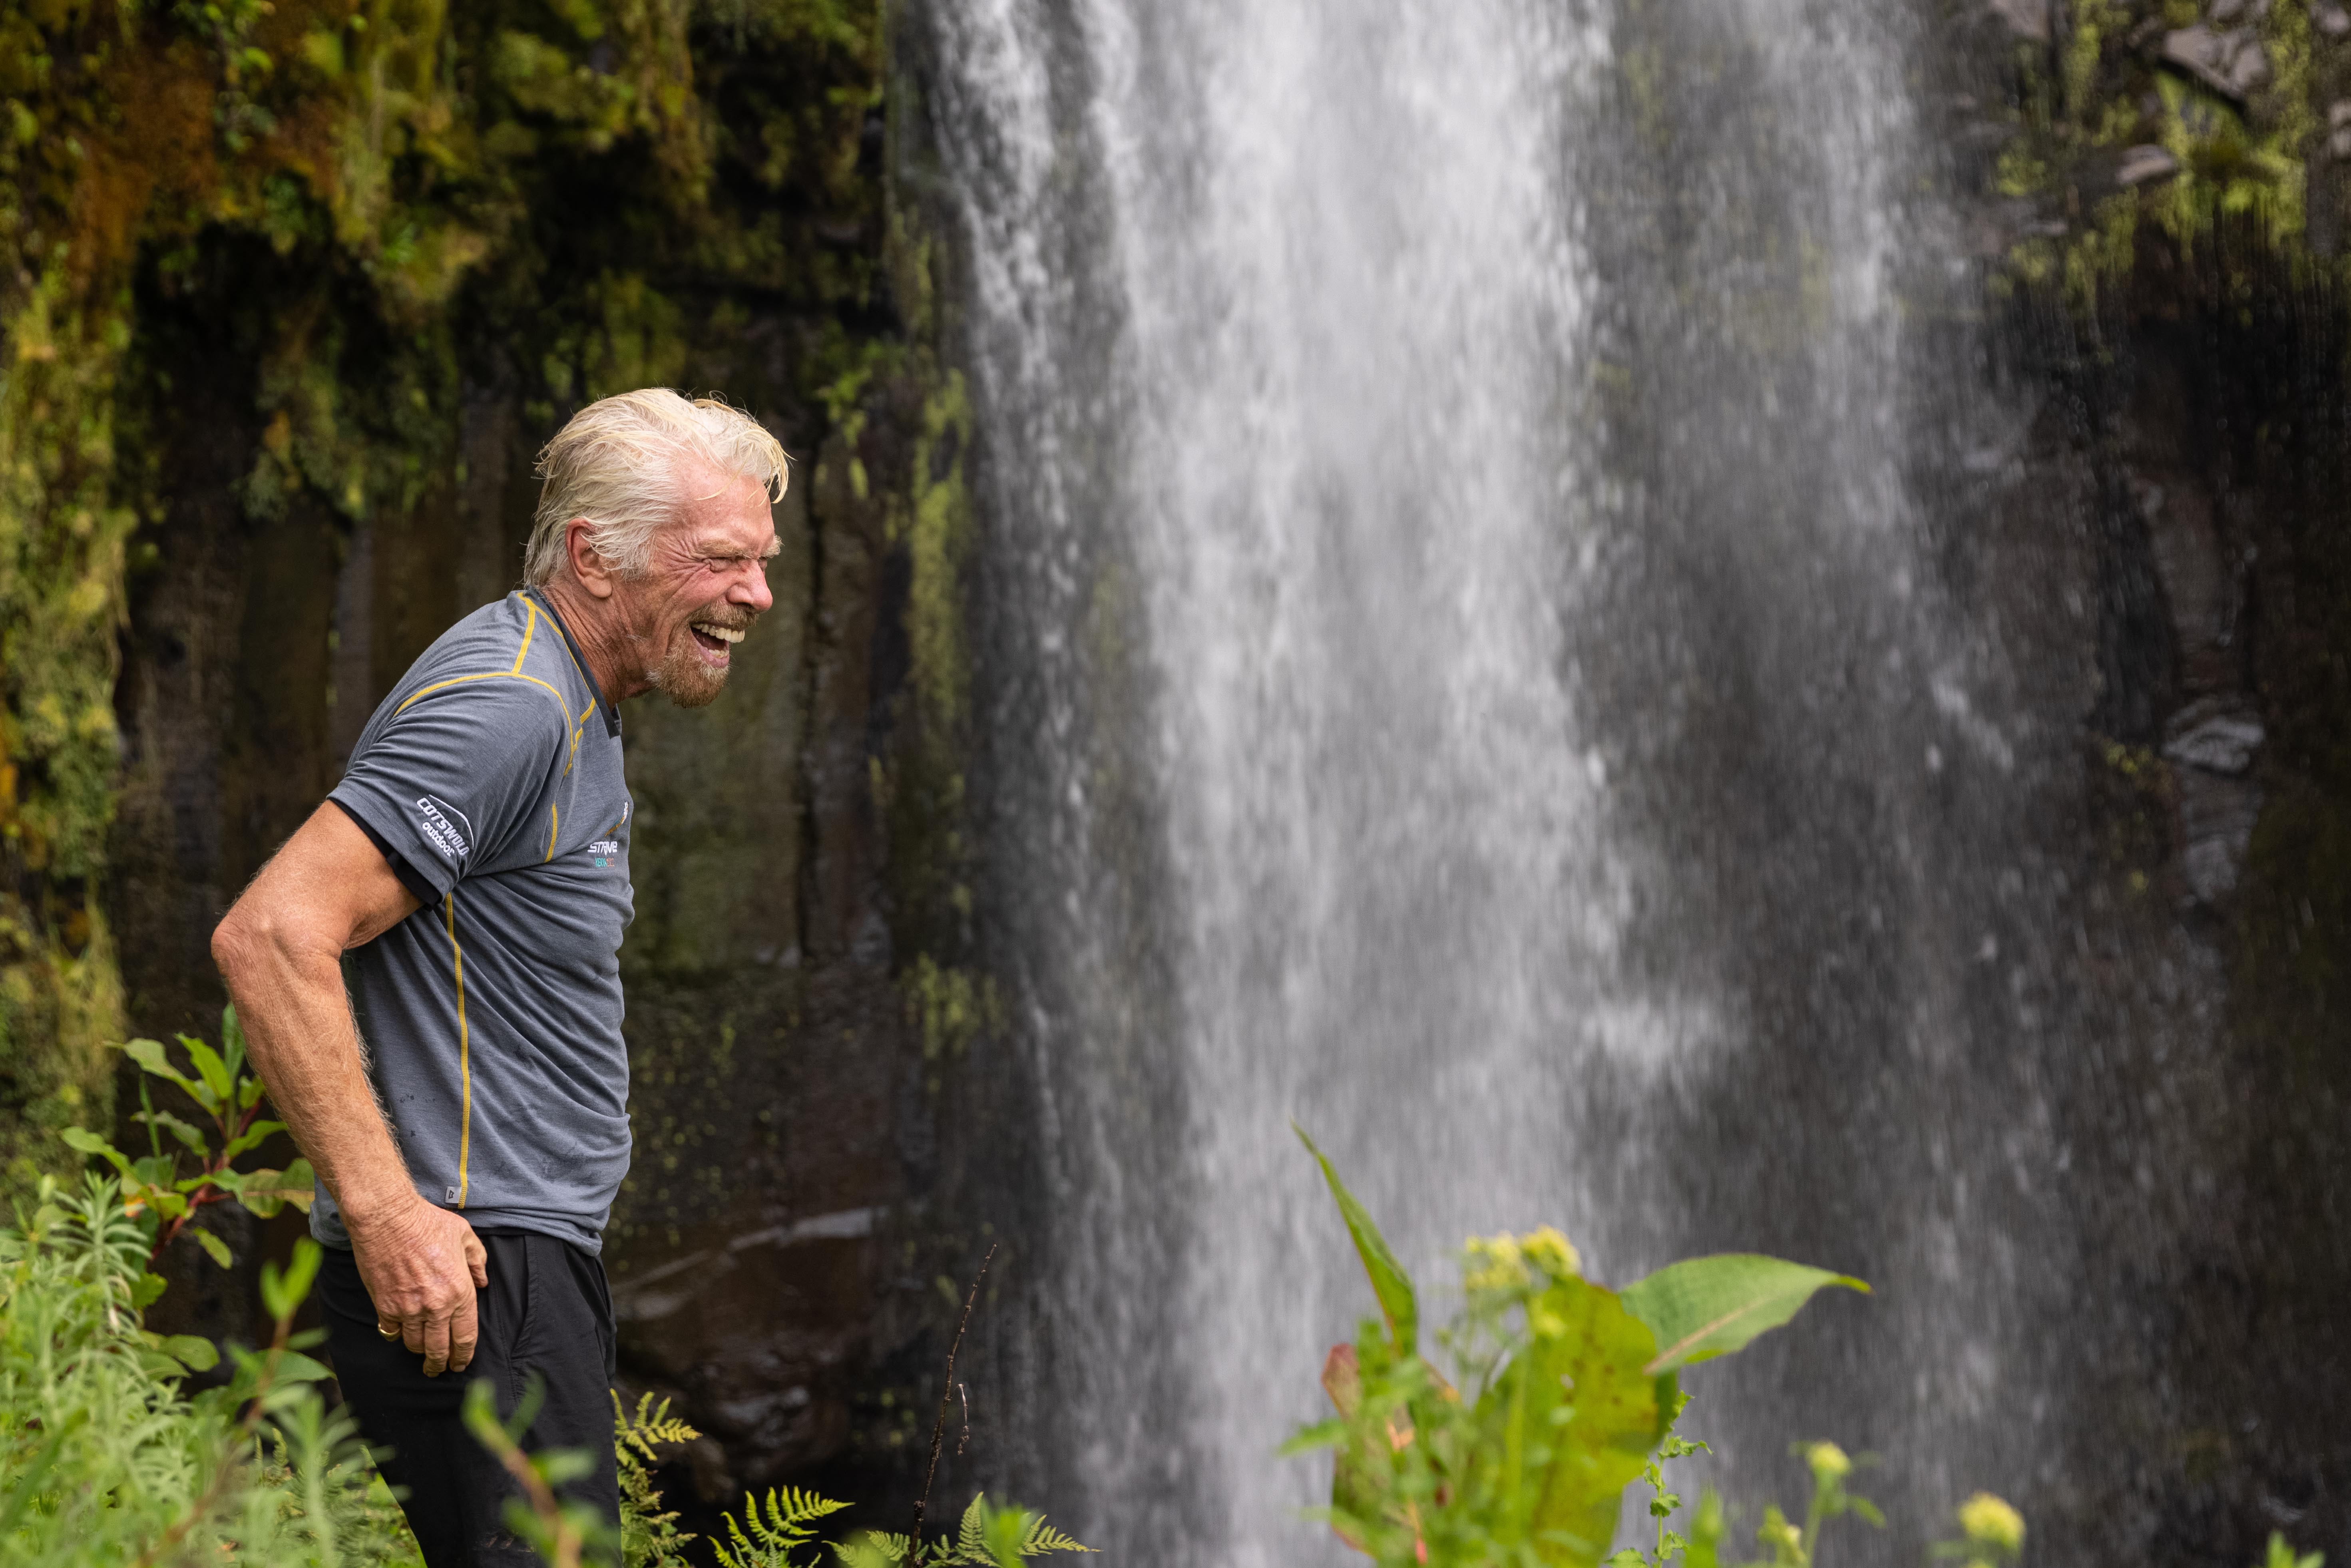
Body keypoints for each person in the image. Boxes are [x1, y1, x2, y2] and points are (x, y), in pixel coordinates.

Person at [211, 389, 786, 1565]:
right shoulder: (511, 704)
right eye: (723, 559)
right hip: (477, 1271)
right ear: (596, 556)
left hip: (511, 1267)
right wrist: (387, 1213)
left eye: (763, 560)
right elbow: (272, 935)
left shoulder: (563, 694)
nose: (758, 595)